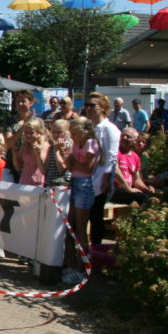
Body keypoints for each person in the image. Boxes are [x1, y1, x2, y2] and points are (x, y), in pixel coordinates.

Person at [65, 116, 100, 285]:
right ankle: (73, 266)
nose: (72, 136)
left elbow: (87, 167)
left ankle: (82, 269)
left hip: (85, 185)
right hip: (75, 181)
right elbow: (71, 165)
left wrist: (74, 163)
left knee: (80, 228)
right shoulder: (76, 144)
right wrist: (74, 163)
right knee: (70, 227)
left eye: (74, 132)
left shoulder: (91, 143)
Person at [84, 92, 120, 250]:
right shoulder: (89, 126)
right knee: (84, 216)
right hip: (86, 176)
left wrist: (106, 180)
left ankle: (96, 250)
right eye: (87, 105)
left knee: (96, 216)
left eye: (92, 105)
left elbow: (111, 157)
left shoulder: (110, 129)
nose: (88, 108)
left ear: (103, 108)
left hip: (100, 179)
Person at [114, 127, 155, 205]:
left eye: (128, 137)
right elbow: (116, 172)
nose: (124, 138)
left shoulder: (135, 157)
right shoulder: (115, 152)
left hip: (128, 190)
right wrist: (128, 188)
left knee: (152, 196)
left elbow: (136, 180)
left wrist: (147, 189)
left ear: (135, 140)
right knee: (142, 198)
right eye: (122, 135)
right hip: (116, 189)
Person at [3, 89, 35, 183]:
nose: (20, 104)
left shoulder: (37, 120)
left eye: (23, 101)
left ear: (31, 103)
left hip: (31, 166)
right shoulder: (10, 120)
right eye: (18, 101)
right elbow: (8, 143)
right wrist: (24, 126)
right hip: (12, 165)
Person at [12, 118, 49, 187]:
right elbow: (18, 167)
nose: (28, 135)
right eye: (26, 133)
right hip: (24, 180)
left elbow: (43, 166)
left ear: (39, 133)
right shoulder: (24, 146)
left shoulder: (45, 145)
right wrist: (14, 155)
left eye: (31, 133)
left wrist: (37, 153)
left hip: (38, 181)